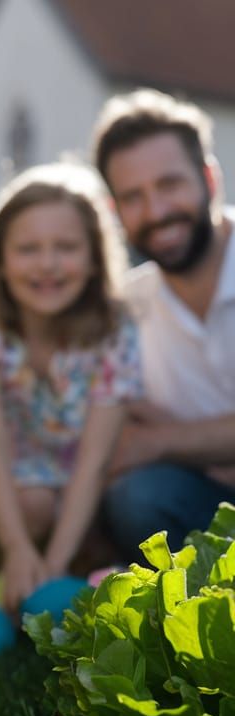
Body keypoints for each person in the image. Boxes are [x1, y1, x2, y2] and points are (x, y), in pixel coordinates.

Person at [0, 163, 142, 613]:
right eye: (28, 249)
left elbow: (94, 461)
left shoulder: (116, 332)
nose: (48, 264)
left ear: (94, 257)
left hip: (81, 482)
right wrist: (17, 548)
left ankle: (53, 575)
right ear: (0, 259)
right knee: (32, 502)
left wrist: (54, 563)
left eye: (66, 247)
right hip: (3, 483)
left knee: (94, 545)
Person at [91, 89, 235, 555]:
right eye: (133, 197)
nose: (155, 212)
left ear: (209, 180)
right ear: (116, 213)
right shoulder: (124, 311)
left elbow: (141, 441)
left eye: (170, 184)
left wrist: (159, 442)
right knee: (140, 497)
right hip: (210, 509)